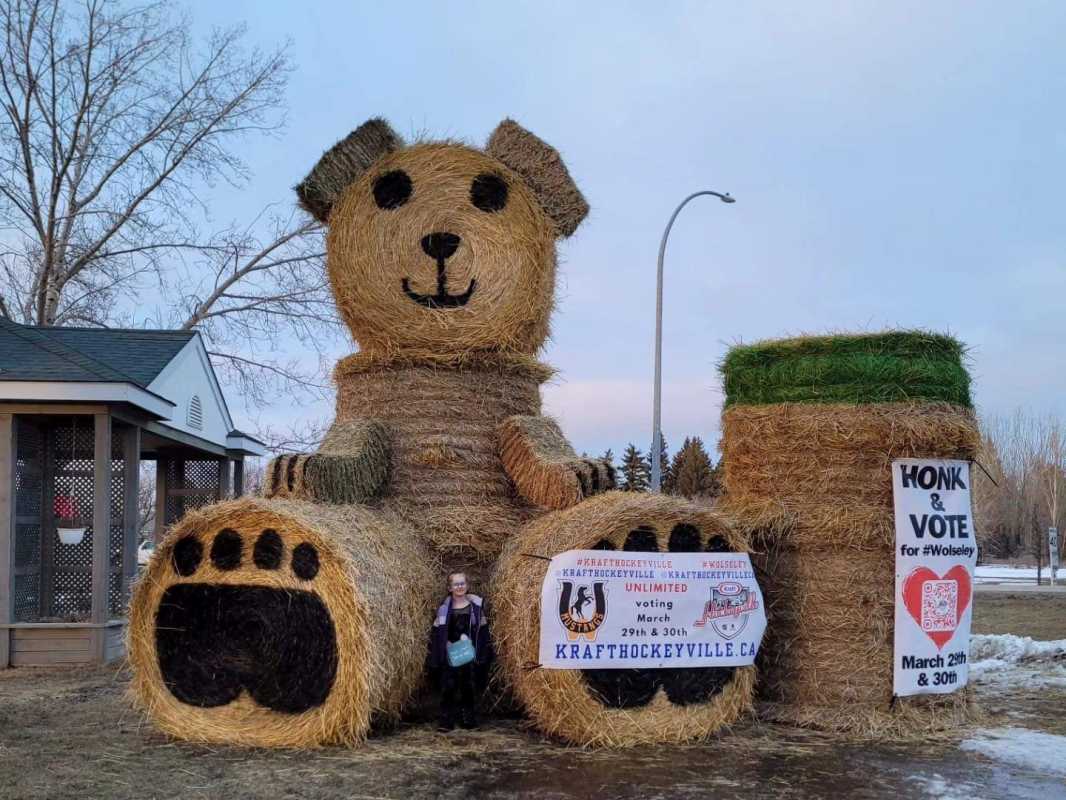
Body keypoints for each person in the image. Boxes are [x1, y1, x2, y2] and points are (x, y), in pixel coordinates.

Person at [429, 572, 492, 730]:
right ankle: (446, 720)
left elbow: (482, 631)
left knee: (468, 686)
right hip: (451, 653)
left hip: (468, 653)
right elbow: (438, 632)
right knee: (448, 686)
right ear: (450, 588)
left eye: (462, 583)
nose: (460, 587)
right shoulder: (444, 609)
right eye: (456, 584)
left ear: (467, 585)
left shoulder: (475, 609)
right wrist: (446, 644)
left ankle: (468, 718)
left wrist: (476, 645)